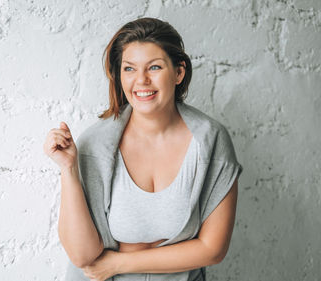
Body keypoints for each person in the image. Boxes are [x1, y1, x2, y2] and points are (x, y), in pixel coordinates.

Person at [43, 17, 243, 281]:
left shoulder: (211, 141)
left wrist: (117, 264)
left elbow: (213, 249)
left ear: (179, 72)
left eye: (155, 67)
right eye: (129, 69)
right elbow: (83, 256)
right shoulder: (95, 144)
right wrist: (69, 169)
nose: (141, 81)